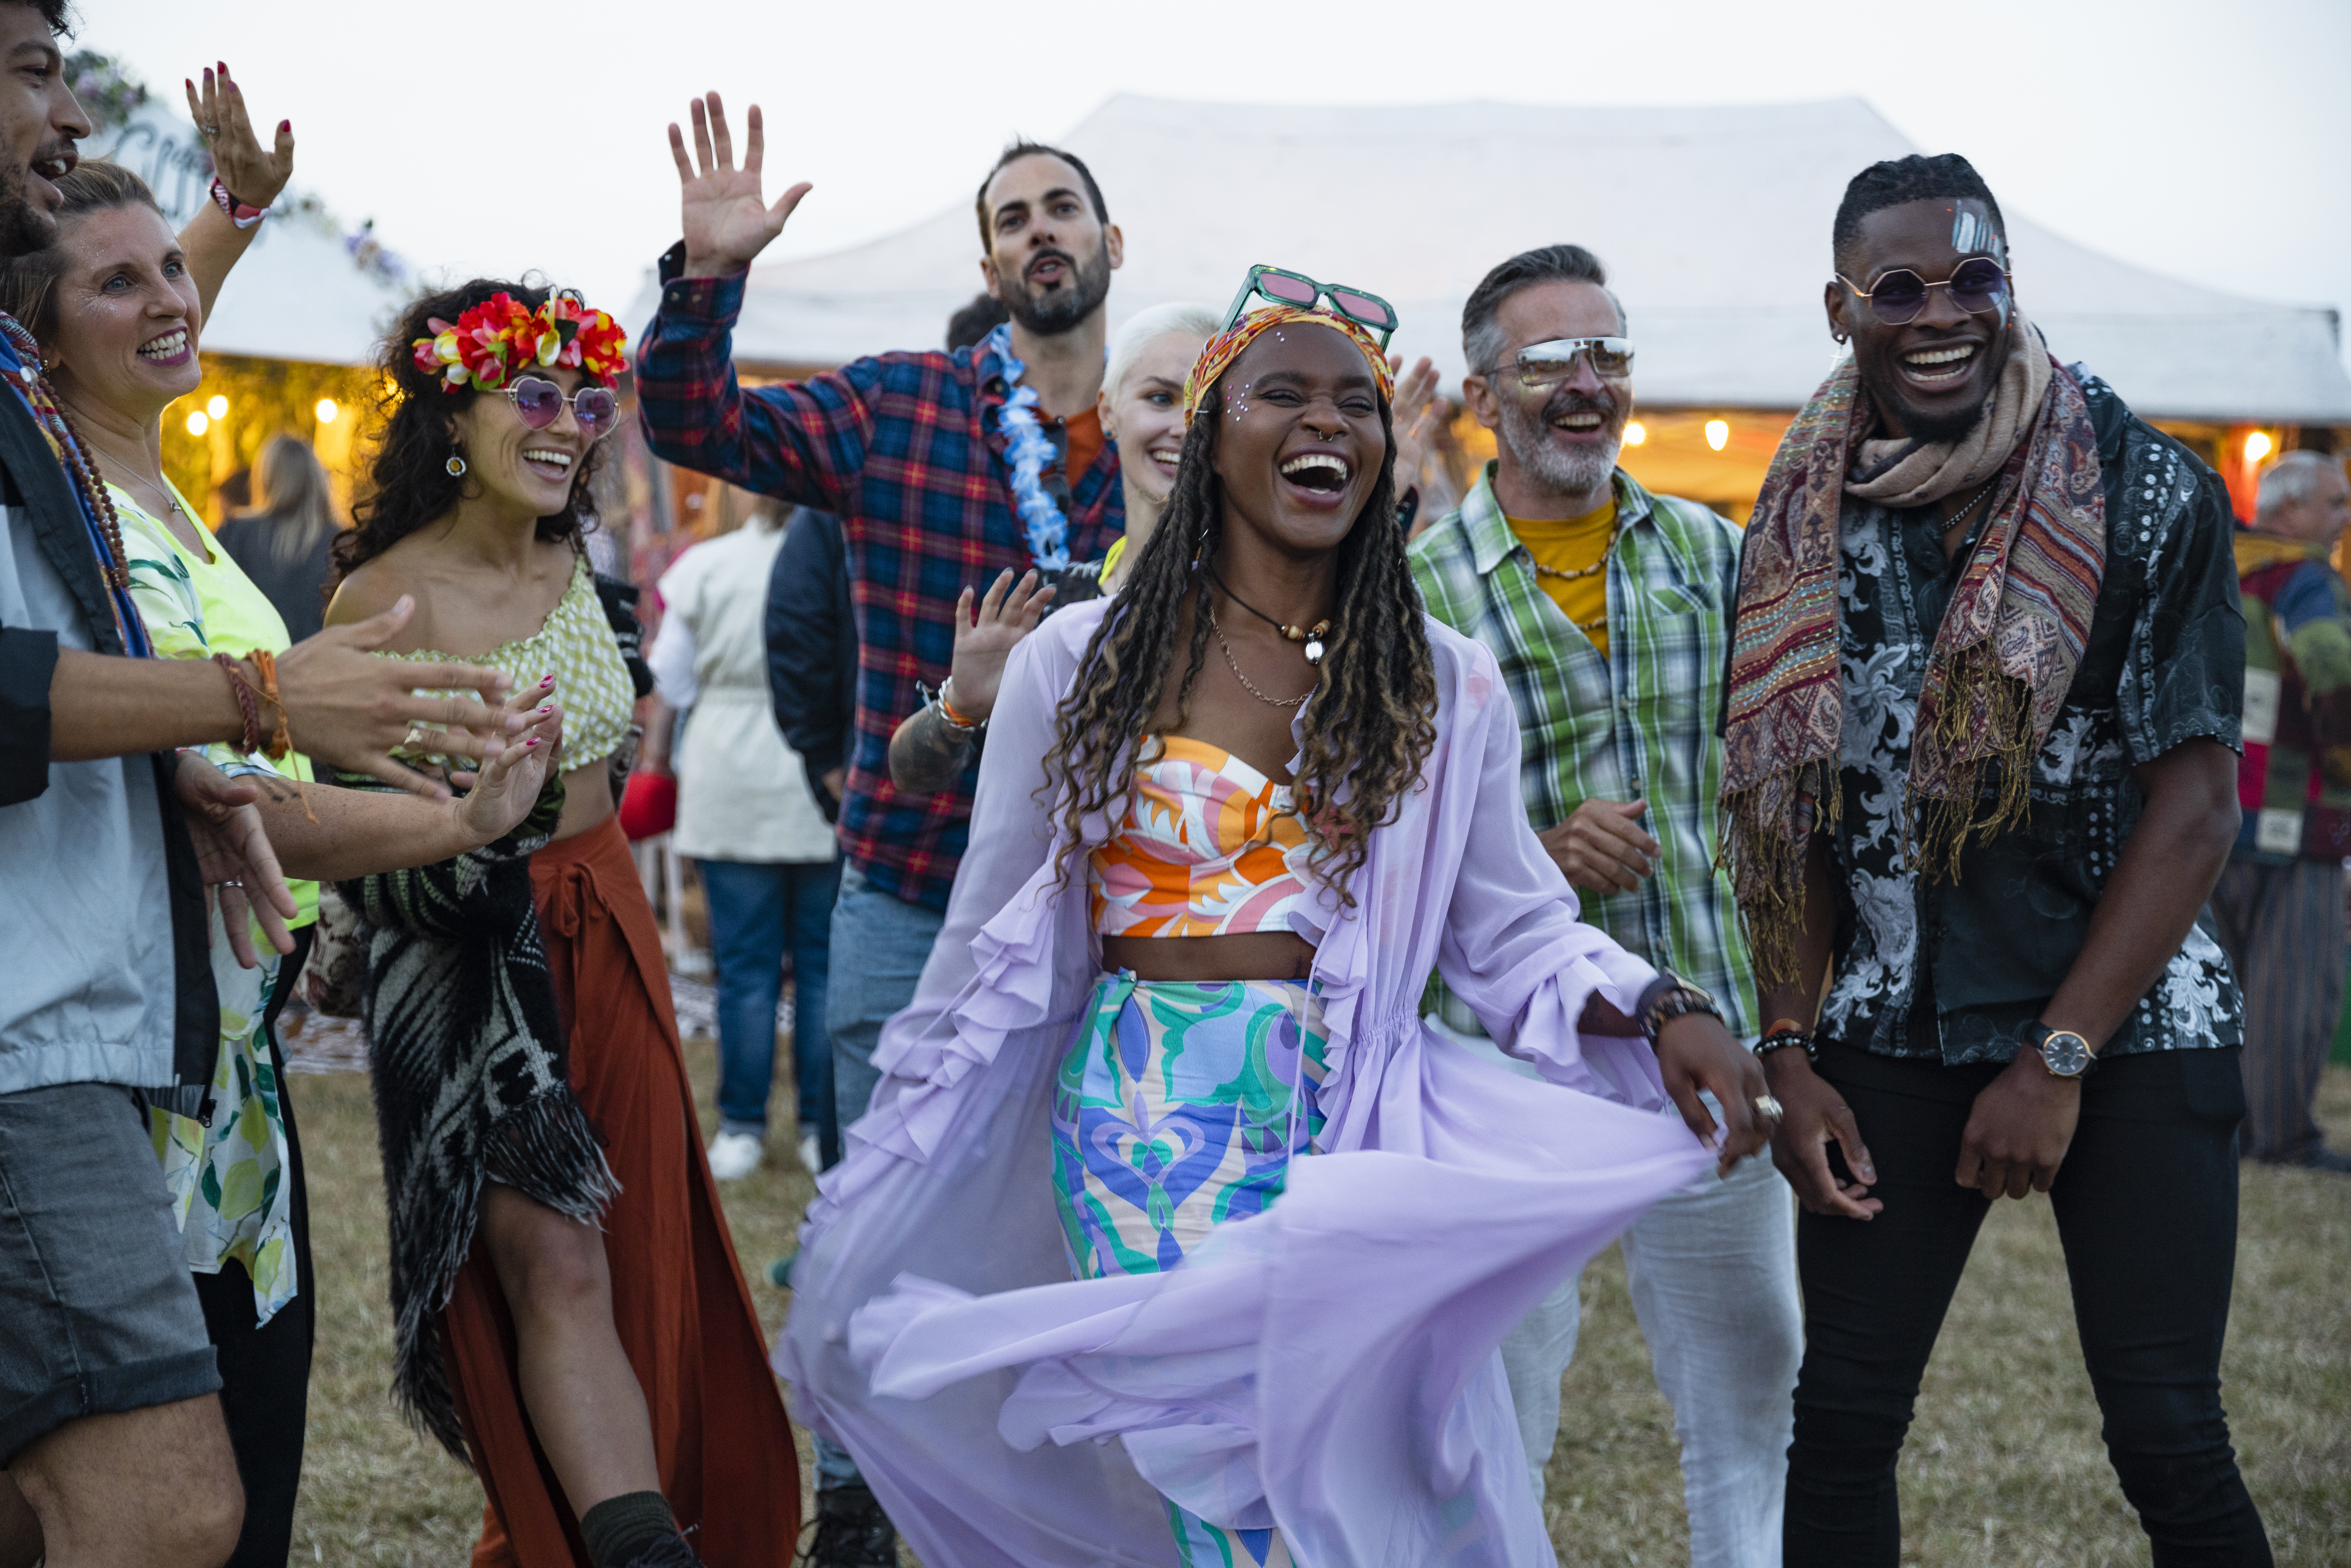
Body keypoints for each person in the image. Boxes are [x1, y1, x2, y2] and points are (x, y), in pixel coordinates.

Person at [779, 279, 1774, 1568]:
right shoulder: (1078, 661)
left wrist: (1661, 1006)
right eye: (1284, 393)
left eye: (1354, 401)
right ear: (1211, 435)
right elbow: (984, 934)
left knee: (1364, 1473)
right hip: (1145, 1119)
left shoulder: (1438, 678)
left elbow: (1516, 928)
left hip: (1351, 1116)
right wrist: (896, 1150)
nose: (1330, 422)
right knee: (1240, 1482)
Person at [0, 100, 582, 1562]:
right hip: (115, 1075)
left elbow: (132, 303)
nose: (171, 299)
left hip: (233, 1068)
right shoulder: (72, 511)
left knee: (228, 1483)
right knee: (157, 1500)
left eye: (176, 269)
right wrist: (396, 787)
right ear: (36, 336)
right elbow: (249, 792)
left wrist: (452, 807)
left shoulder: (151, 496)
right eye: (121, 283)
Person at [1722, 154, 2272, 1563]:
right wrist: (1788, 1046)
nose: (1941, 313)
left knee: (2163, 1426)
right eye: (1898, 287)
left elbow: (2198, 803)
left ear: (2011, 283)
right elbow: (1790, 817)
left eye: (1975, 277)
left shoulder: (2144, 488)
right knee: (1839, 1420)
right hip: (1891, 1028)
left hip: (2129, 1026)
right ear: (1840, 307)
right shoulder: (1793, 518)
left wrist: (2057, 1059)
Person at [639, 93, 1128, 1565]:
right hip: (910, 892)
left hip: (1108, 916)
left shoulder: (1178, 433)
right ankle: (857, 1508)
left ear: (1112, 240)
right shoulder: (900, 407)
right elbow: (695, 421)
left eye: (1061, 207)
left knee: (1075, 1217)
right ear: (990, 257)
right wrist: (709, 277)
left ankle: (1048, 1504)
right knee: (879, 1217)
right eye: (1012, 216)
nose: (1040, 232)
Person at [326, 280, 799, 1568]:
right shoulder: (380, 604)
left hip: (614, 932)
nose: (568, 424)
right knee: (558, 1267)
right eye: (531, 394)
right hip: (481, 957)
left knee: (640, 1269)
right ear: (451, 410)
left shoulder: (573, 566)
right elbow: (355, 843)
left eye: (586, 400)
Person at [1410, 242, 1801, 1565]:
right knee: (1498, 1407)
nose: (1589, 385)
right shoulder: (1412, 595)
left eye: (1609, 354)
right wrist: (1532, 853)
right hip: (1510, 1064)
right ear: (1480, 397)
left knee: (1751, 1389)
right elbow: (1385, 852)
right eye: (1550, 360)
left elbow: (1784, 790)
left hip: (1712, 1044)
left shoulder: (1715, 554)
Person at [641, 504, 840, 1179]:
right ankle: (819, 1126)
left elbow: (669, 679)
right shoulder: (835, 559)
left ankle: (742, 1128)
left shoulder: (705, 567)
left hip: (728, 773)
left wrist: (655, 760)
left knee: (746, 970)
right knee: (819, 967)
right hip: (822, 774)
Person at [2212, 449, 2351, 1171]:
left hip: (2208, 812)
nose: (2343, 519)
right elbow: (2329, 660)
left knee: (2220, 988)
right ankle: (2283, 1136)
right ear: (2290, 510)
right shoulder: (2305, 580)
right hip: (2294, 815)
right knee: (2292, 987)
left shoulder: (2218, 566)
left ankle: (2226, 1130)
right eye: (2335, 504)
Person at [216, 434, 340, 643]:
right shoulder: (340, 541)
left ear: (265, 476)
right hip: (317, 663)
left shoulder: (236, 533)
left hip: (253, 663)